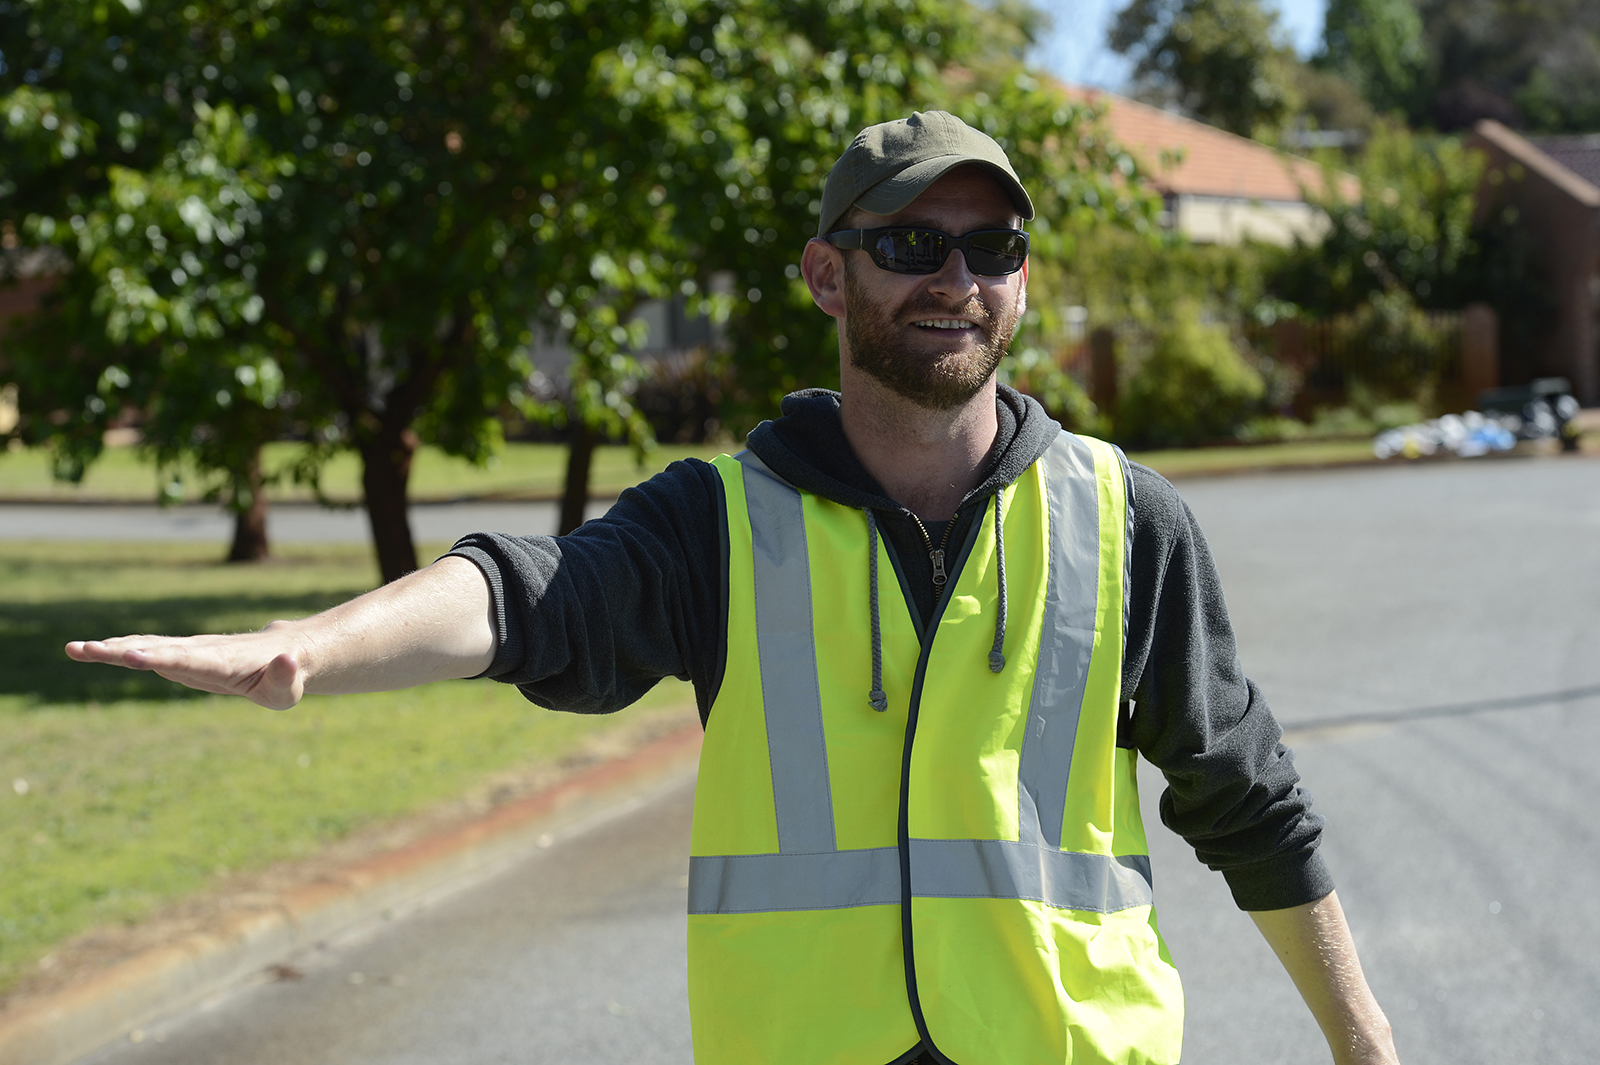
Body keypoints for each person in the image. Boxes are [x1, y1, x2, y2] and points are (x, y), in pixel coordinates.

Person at [67, 111, 1399, 1065]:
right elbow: (533, 597)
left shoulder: (1123, 518)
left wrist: (1365, 1040)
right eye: (912, 243)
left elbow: (1251, 800)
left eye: (990, 246)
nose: (956, 278)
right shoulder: (721, 519)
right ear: (827, 273)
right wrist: (316, 643)